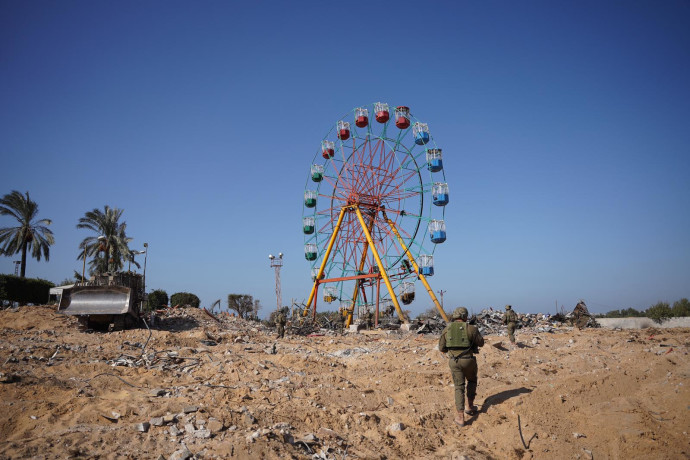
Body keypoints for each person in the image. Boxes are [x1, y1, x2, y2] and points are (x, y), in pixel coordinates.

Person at [438, 307, 485, 427]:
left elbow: (441, 348)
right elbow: (481, 343)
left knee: (459, 387)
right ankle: (469, 406)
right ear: (465, 316)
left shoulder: (447, 329)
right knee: (472, 381)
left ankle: (460, 417)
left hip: (454, 361)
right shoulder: (471, 328)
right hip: (468, 361)